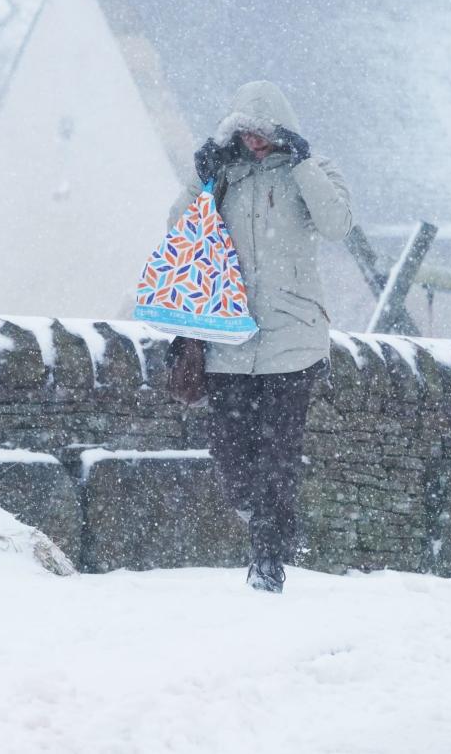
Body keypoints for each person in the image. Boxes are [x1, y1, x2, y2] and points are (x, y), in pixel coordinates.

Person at [167, 81, 352, 593]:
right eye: (245, 133)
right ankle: (260, 521)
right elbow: (178, 231)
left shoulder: (312, 171)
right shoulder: (223, 178)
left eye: (263, 133)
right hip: (229, 340)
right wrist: (200, 179)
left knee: (278, 455)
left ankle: (269, 556)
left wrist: (302, 163)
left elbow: (337, 223)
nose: (253, 142)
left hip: (293, 342)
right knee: (231, 455)